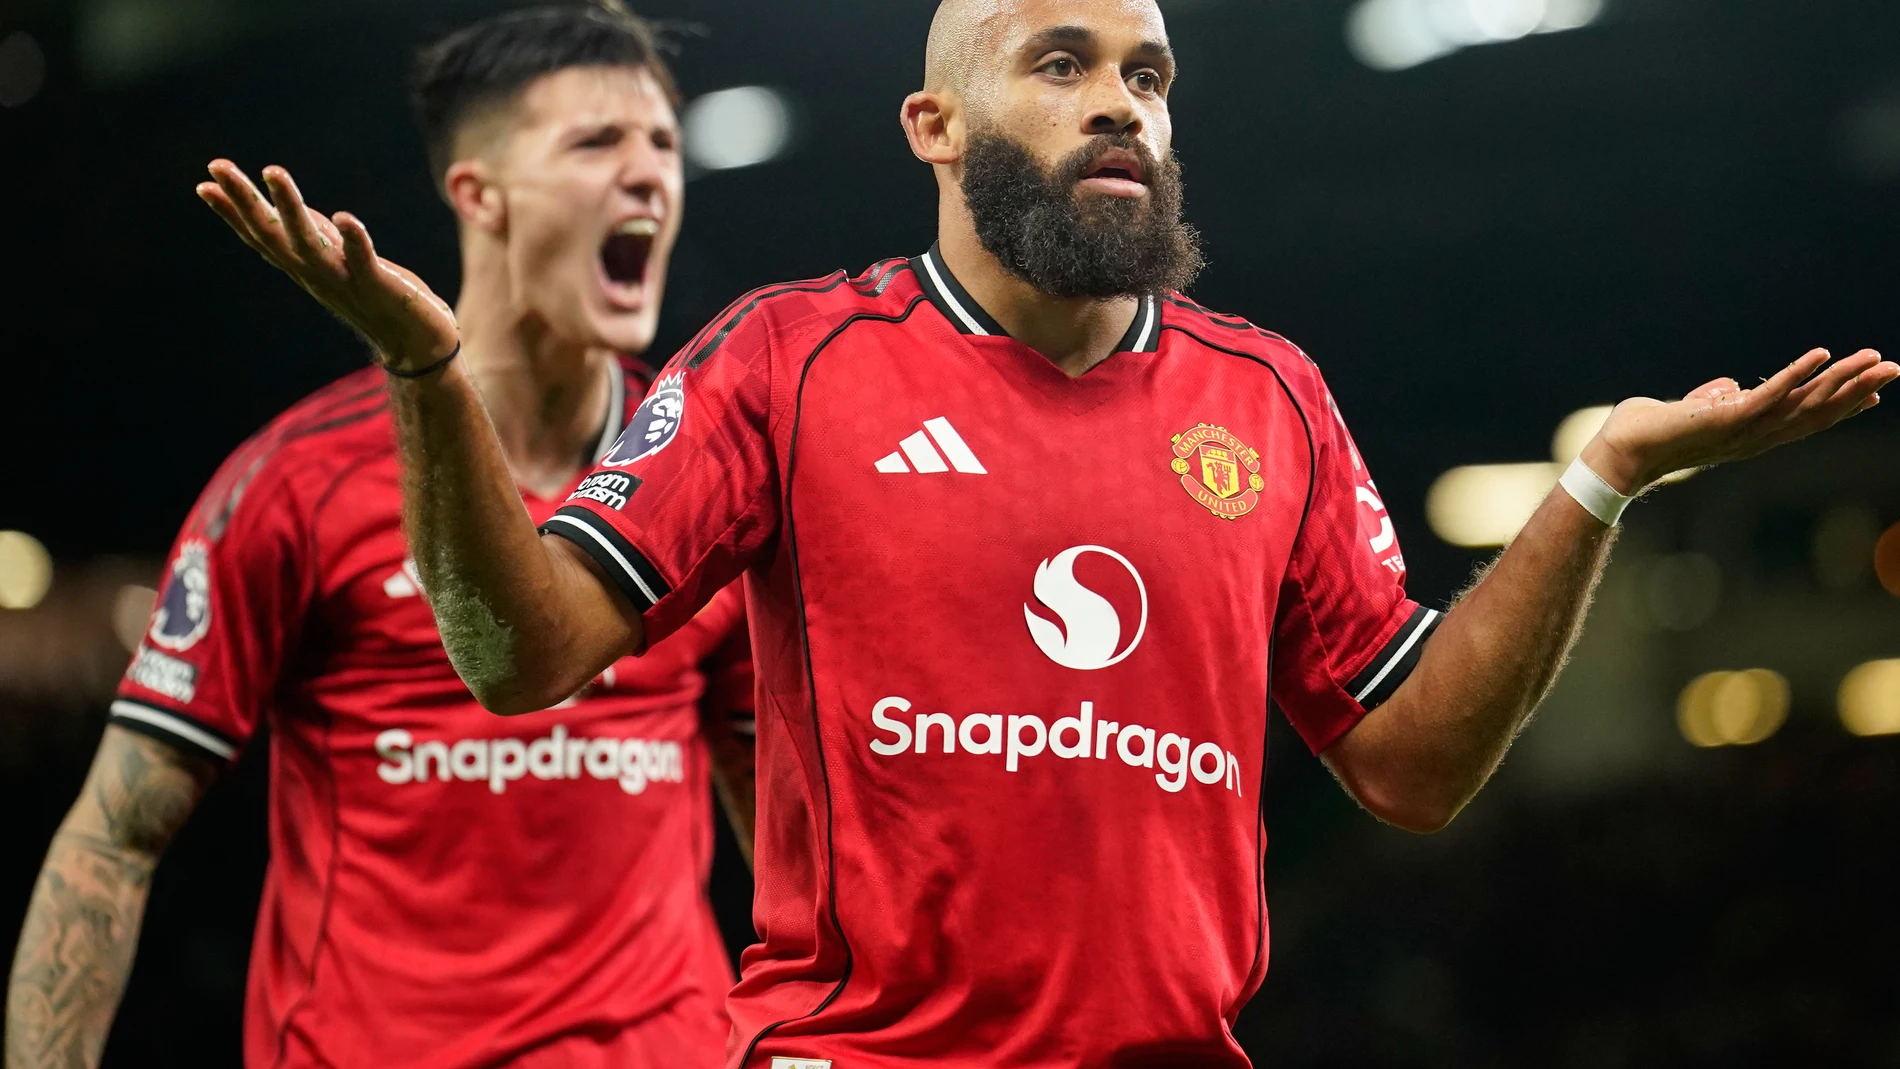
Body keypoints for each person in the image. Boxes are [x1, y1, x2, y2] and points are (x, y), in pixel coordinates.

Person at [182, 0, 1896, 1064]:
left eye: (1147, 71)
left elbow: (1412, 765)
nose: (1121, 105)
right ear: (934, 127)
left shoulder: (1271, 396)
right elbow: (517, 650)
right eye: (1060, 62)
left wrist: (1596, 483)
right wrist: (425, 366)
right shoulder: (787, 358)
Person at [5, 6, 756, 1068]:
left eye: (664, 145)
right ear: (477, 194)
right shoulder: (297, 483)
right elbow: (113, 837)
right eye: (598, 143)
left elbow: (787, 840)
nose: (651, 177)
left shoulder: (706, 471)